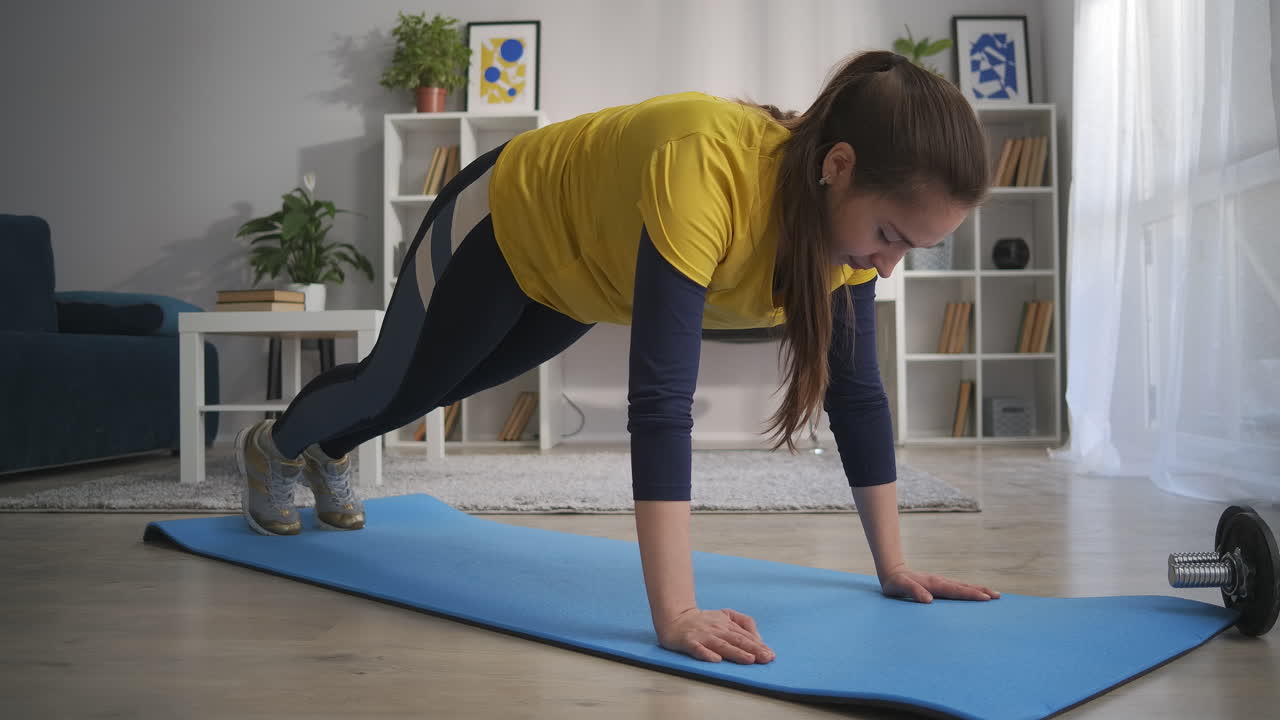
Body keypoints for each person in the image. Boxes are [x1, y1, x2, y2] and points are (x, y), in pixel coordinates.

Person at [234, 49, 1001, 666]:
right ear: (837, 164)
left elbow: (857, 396)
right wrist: (674, 613)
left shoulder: (848, 246)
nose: (889, 267)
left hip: (582, 281)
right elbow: (662, 401)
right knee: (404, 385)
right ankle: (278, 447)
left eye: (915, 250)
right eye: (894, 237)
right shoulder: (708, 167)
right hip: (505, 221)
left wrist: (893, 568)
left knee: (441, 388)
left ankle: (331, 445)